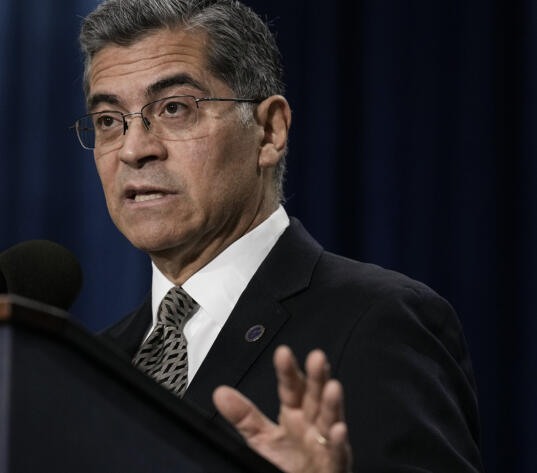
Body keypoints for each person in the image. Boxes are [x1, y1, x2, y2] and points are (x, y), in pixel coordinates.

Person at [72, 1, 483, 472]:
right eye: (108, 120)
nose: (133, 148)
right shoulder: (92, 362)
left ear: (269, 131)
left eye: (174, 109)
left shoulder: (377, 321)